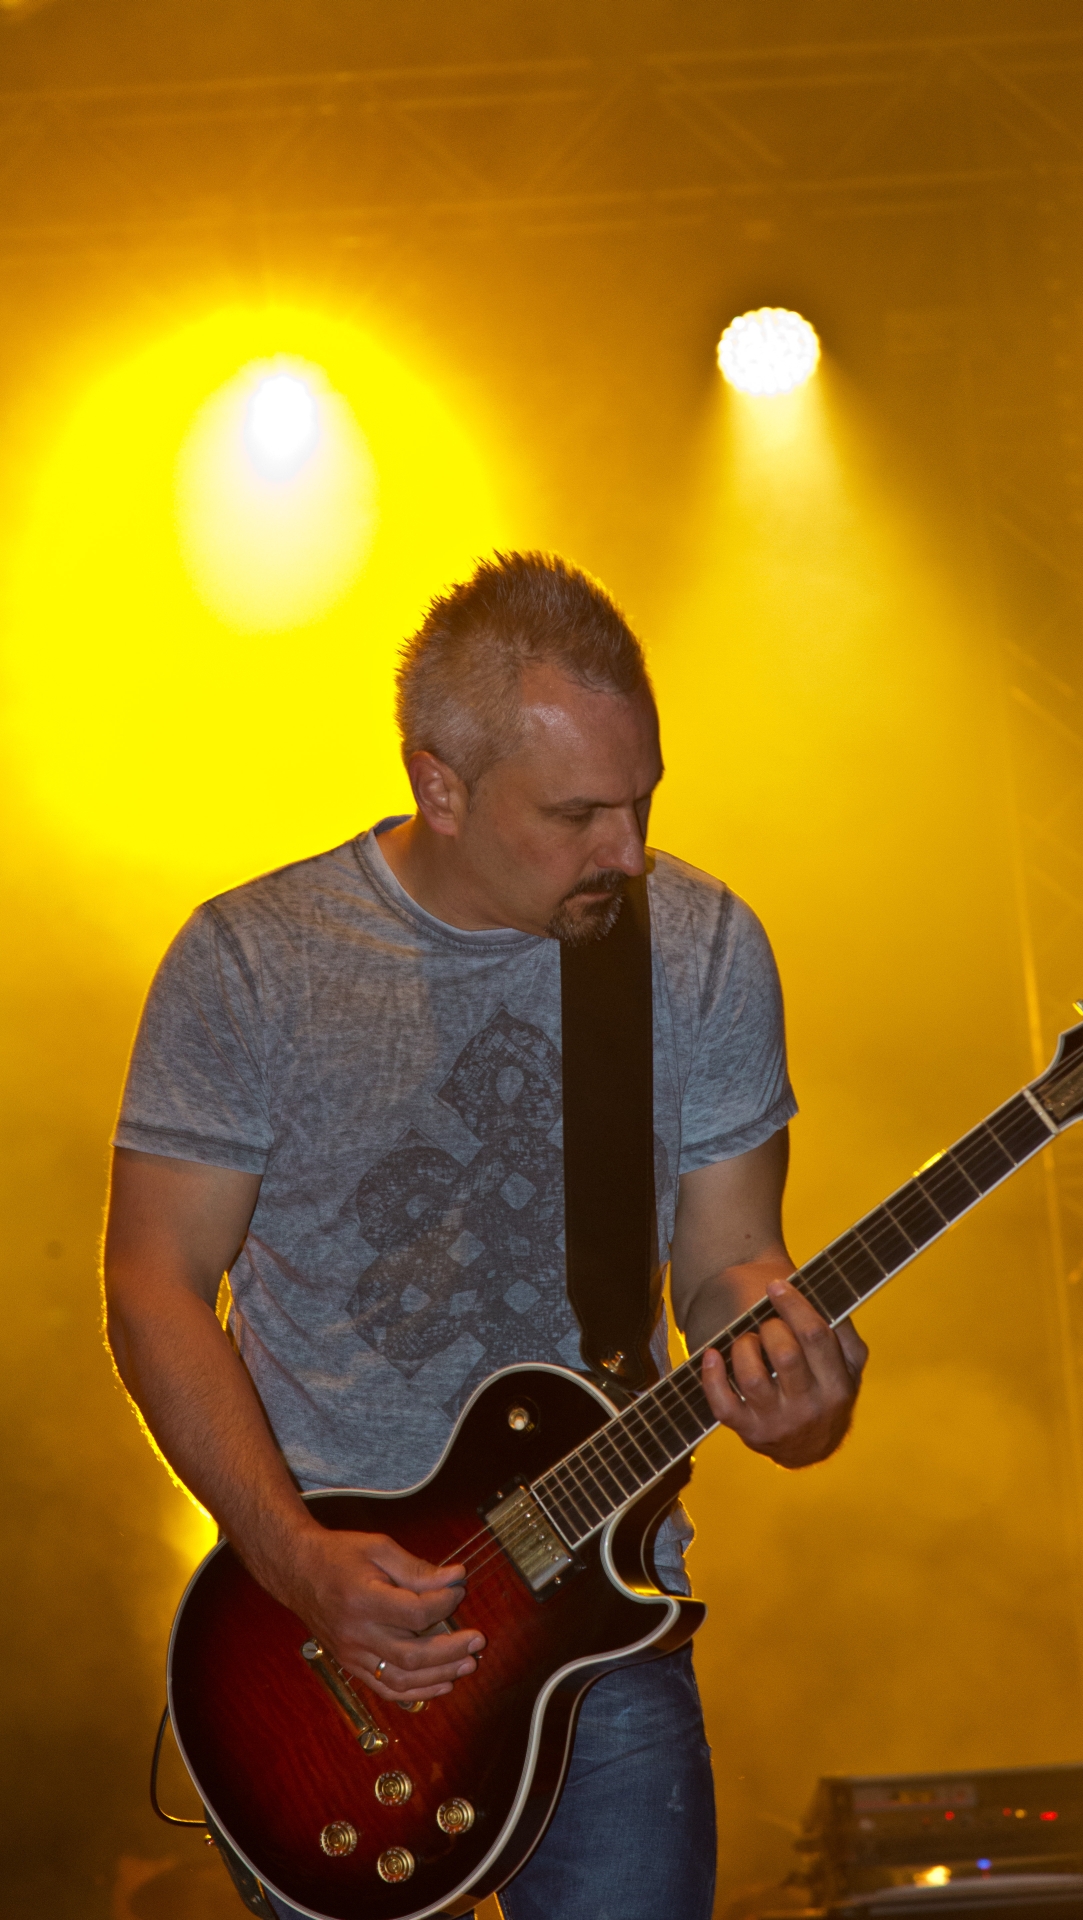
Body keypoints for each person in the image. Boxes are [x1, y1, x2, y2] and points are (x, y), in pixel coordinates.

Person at [103, 550, 867, 1920]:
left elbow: (728, 1263)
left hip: (601, 1612)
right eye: (577, 814)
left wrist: (789, 1373)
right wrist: (293, 1559)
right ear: (439, 786)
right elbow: (154, 1285)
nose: (626, 851)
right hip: (316, 1648)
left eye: (641, 800)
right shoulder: (252, 961)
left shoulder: (697, 948)